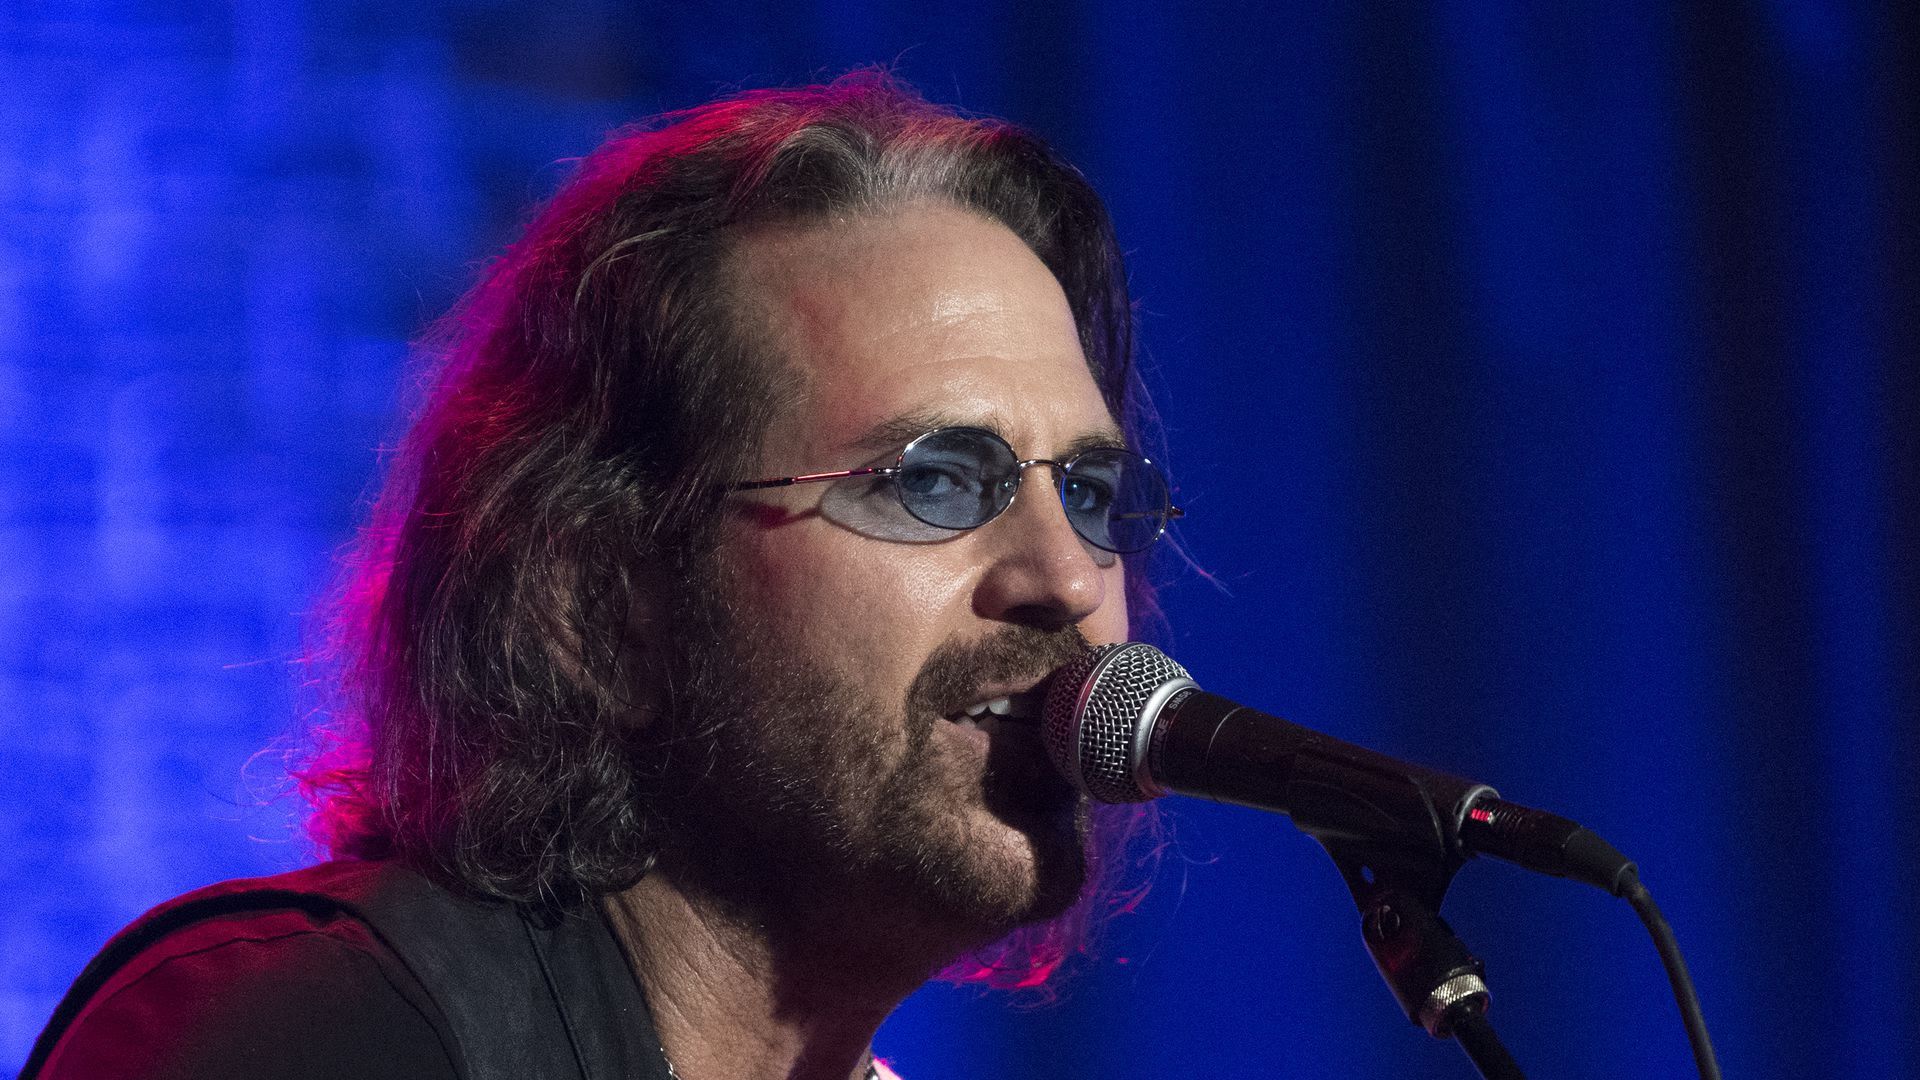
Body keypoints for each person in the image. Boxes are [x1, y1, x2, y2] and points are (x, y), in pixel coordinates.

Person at [26, 72, 1182, 1080]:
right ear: (595, 608)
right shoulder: (313, 1033)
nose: (1069, 578)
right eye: (933, 480)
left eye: (1084, 490)